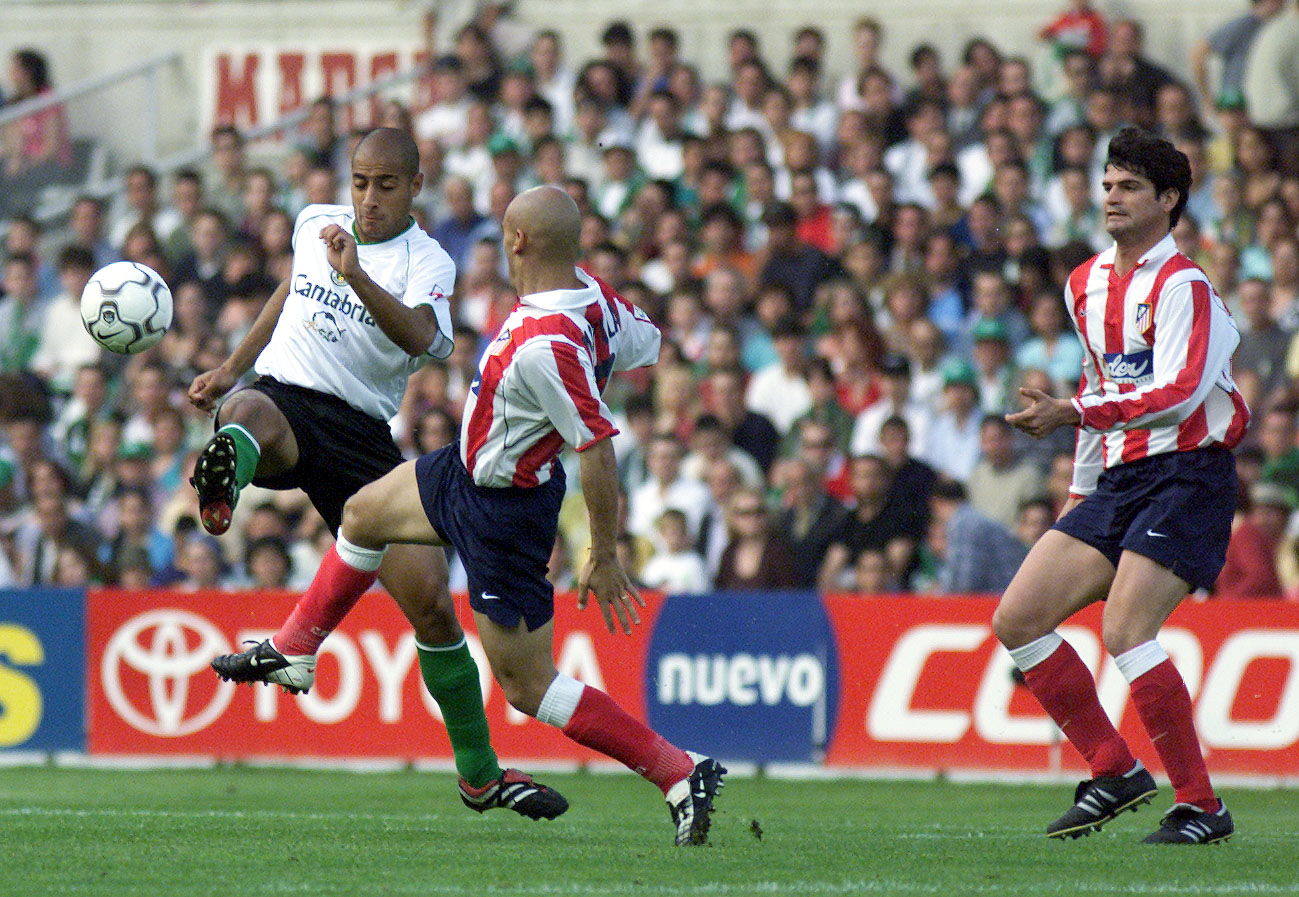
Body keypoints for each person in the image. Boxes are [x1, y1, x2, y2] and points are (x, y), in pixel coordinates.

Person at [220, 185, 726, 846]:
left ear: (516, 243)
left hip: (505, 511)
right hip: (463, 470)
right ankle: (295, 648)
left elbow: (597, 449)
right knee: (363, 512)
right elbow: (647, 344)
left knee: (528, 685)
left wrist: (603, 550)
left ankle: (679, 770)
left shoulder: (549, 340)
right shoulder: (593, 298)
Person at [191, 128, 566, 822]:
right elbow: (289, 288)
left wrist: (356, 274)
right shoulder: (315, 223)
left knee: (430, 604)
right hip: (287, 398)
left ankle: (480, 776)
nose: (367, 197)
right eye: (360, 181)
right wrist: (229, 367)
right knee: (249, 412)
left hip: (362, 436)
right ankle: (225, 483)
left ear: (414, 185)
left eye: (384, 184)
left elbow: (423, 339)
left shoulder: (428, 260)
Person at [994, 127, 1249, 844]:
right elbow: (1096, 384)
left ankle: (1201, 804)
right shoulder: (1084, 283)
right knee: (1017, 618)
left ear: (1168, 200)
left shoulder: (1185, 286)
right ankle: (1113, 770)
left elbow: (1176, 391)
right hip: (1117, 475)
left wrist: (1072, 412)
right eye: (1107, 183)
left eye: (1129, 185)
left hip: (1187, 475)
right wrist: (1079, 494)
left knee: (1125, 629)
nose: (1111, 195)